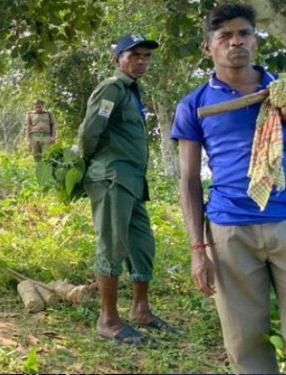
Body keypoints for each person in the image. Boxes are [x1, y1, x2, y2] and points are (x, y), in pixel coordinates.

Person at [172, 4, 286, 373]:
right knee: (244, 339)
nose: (235, 42)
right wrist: (197, 249)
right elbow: (188, 180)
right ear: (209, 47)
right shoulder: (195, 104)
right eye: (224, 36)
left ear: (256, 40)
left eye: (244, 34)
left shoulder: (281, 92)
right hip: (229, 229)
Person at [78, 34, 173, 346]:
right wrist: (93, 168)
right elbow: (90, 132)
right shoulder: (112, 89)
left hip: (131, 181)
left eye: (146, 56)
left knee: (142, 244)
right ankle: (108, 319)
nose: (142, 61)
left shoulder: (133, 92)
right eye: (134, 55)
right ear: (117, 59)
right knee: (112, 244)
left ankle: (141, 311)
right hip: (111, 177)